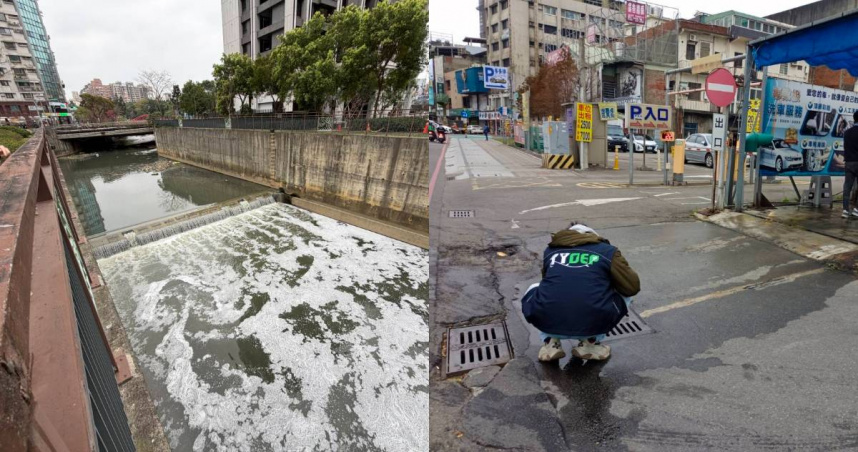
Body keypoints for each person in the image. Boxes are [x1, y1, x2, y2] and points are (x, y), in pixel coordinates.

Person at [521, 223, 640, 361]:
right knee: (623, 292)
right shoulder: (608, 251)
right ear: (592, 235)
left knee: (537, 288)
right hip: (593, 319)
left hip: (549, 319)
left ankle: (550, 342)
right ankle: (590, 344)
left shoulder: (550, 251)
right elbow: (632, 287)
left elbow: (548, 284)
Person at [842, 111, 858, 218]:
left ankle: (845, 210)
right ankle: (856, 209)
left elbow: (845, 147)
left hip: (849, 162)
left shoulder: (847, 133)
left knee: (847, 186)